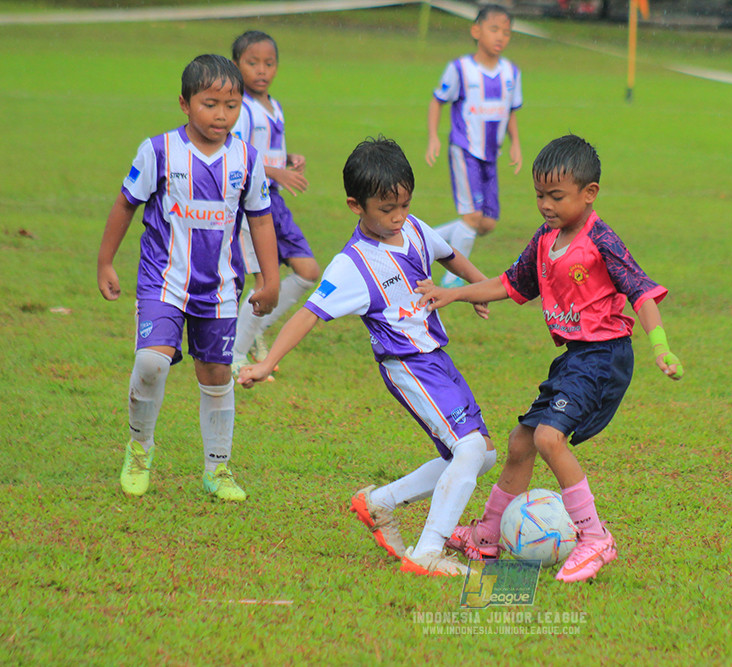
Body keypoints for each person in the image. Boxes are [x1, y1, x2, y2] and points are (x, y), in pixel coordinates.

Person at [417, 134, 684, 582]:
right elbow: (511, 283)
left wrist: (661, 346)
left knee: (547, 438)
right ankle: (487, 536)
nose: (545, 205)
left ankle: (595, 538)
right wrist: (455, 292)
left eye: (556, 196)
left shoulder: (601, 241)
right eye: (540, 195)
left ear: (589, 193)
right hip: (575, 358)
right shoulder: (546, 239)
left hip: (603, 356)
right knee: (521, 440)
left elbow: (641, 291)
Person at [238, 137, 497, 576]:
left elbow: (450, 256)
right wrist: (265, 363)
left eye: (404, 204)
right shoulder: (352, 265)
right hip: (408, 365)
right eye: (386, 209)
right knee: (469, 448)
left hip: (438, 358)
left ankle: (381, 502)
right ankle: (427, 552)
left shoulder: (413, 228)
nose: (397, 217)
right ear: (356, 205)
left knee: (483, 453)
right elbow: (308, 315)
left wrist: (479, 290)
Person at [97, 54, 280, 502]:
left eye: (232, 105)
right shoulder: (159, 150)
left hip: (219, 287)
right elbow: (125, 204)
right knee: (152, 362)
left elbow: (259, 219)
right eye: (210, 103)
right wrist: (105, 261)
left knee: (217, 373)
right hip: (163, 279)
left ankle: (217, 470)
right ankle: (139, 449)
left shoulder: (246, 158)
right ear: (185, 103)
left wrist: (270, 279)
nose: (221, 115)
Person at [230, 30, 321, 379]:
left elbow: (267, 149)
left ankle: (256, 329)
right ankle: (236, 355)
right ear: (237, 65)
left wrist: (288, 160)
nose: (261, 70)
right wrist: (277, 173)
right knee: (264, 283)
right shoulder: (242, 109)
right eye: (252, 63)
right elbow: (236, 157)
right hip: (252, 205)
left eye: (268, 63)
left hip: (275, 201)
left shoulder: (274, 106)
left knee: (308, 271)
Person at [425, 4, 522, 288]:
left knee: (487, 223)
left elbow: (511, 110)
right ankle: (453, 277)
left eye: (506, 32)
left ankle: (422, 240)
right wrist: (433, 136)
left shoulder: (511, 73)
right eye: (494, 29)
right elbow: (437, 101)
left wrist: (515, 143)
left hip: (492, 154)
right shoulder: (460, 69)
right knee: (472, 217)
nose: (500, 37)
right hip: (464, 149)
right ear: (476, 30)